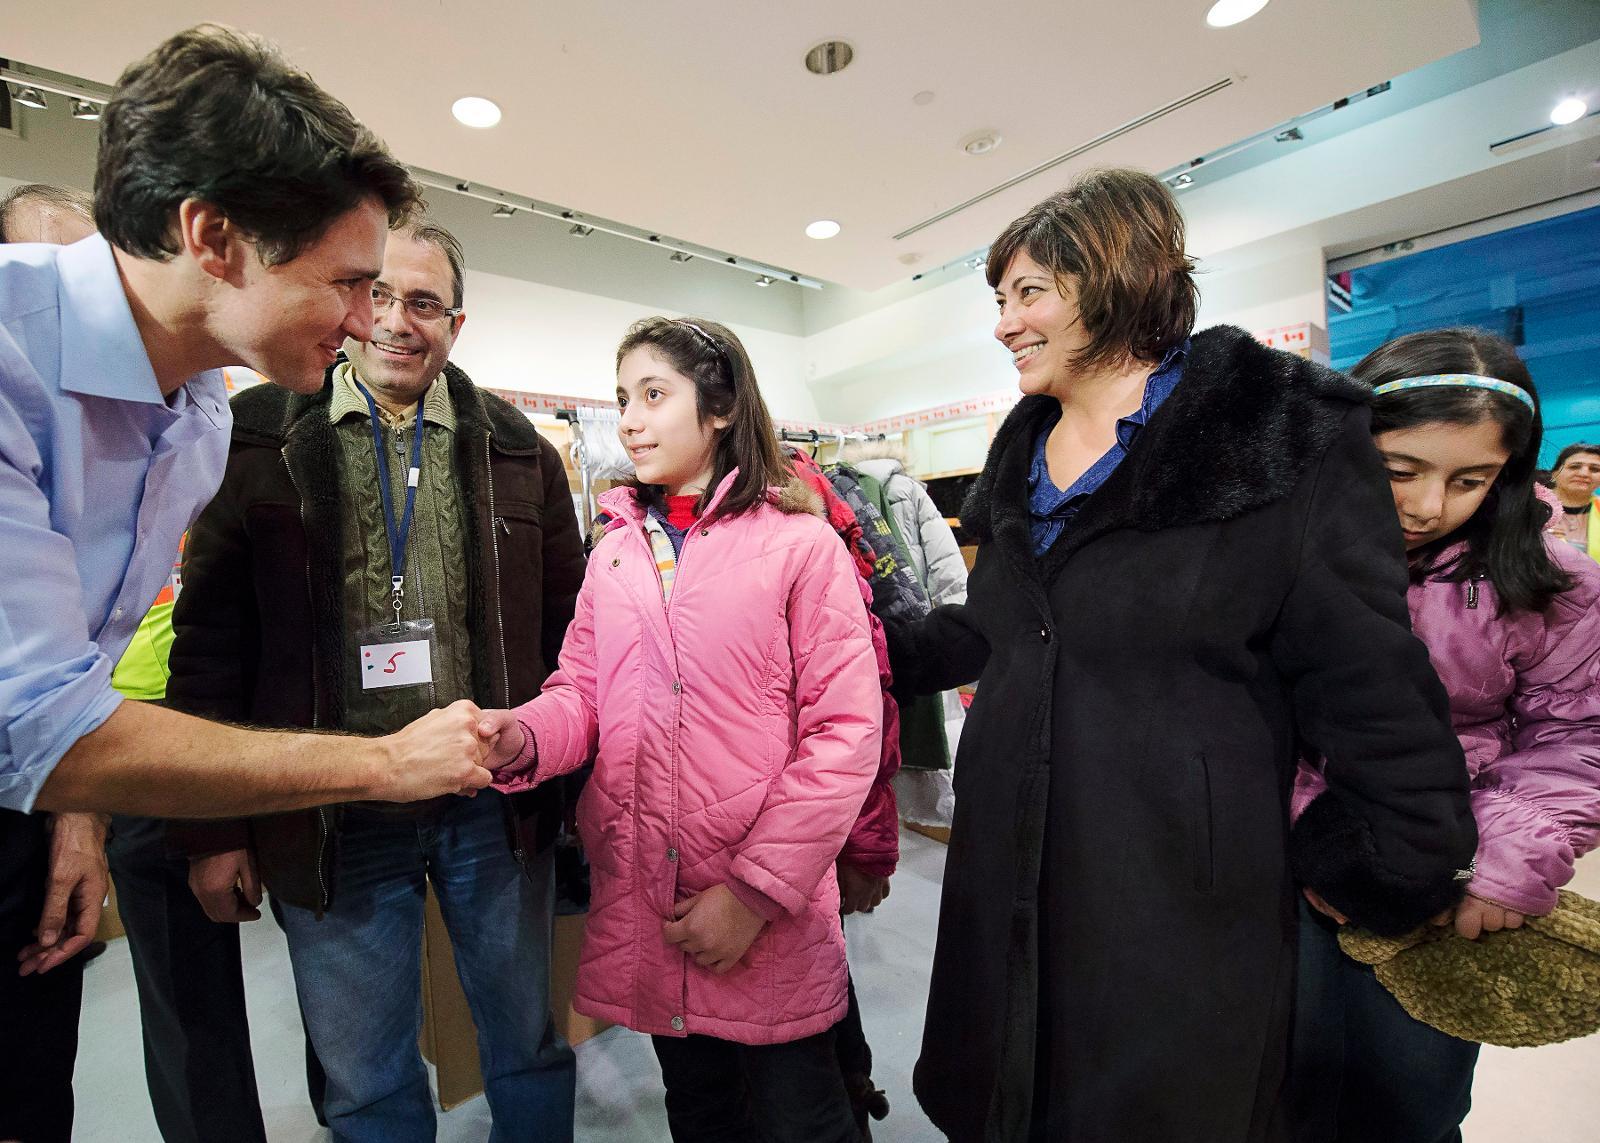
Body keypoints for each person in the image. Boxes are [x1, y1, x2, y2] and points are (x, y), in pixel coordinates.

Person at [884, 169, 1476, 1142]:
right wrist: (852, 643)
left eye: (1028, 292)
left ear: (1115, 274)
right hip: (1007, 860)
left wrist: (1391, 862)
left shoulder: (1286, 436)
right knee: (1008, 1092)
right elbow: (994, 631)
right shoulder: (1018, 447)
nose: (1004, 324)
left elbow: (1367, 682)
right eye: (999, 300)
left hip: (1171, 882)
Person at [0, 26, 484, 1142]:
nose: (373, 321)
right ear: (213, 236)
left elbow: (63, 679)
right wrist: (382, 766)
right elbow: (48, 723)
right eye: (349, 284)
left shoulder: (205, 409)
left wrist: (69, 822)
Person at [167, 218, 586, 1141]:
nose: (399, 321)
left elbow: (571, 634)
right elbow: (209, 641)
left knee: (526, 1044)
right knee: (367, 1080)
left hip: (491, 798)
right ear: (353, 303)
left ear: (456, 324)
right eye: (381, 295)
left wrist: (574, 786)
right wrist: (214, 829)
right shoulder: (256, 434)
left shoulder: (520, 448)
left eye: (425, 303)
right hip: (332, 808)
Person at [476, 317, 882, 1143]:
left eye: (654, 395)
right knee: (699, 1116)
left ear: (722, 406)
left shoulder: (800, 546)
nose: (629, 418)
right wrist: (519, 737)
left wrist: (752, 895)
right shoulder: (615, 555)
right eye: (623, 397)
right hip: (654, 910)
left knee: (802, 1119)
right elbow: (581, 693)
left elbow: (843, 737)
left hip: (765, 916)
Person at [1289, 330, 1600, 1142]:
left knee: (1410, 1101)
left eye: (1470, 479)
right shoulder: (1276, 557)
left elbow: (1579, 734)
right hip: (1274, 876)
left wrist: (1502, 852)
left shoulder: (1551, 583)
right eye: (1400, 471)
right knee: (1280, 1086)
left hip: (1438, 882)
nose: (1429, 506)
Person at [1544, 442, 1600, 559]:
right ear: (1555, 473)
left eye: (1595, 469)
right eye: (1574, 466)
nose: (1584, 473)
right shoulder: (1529, 506)